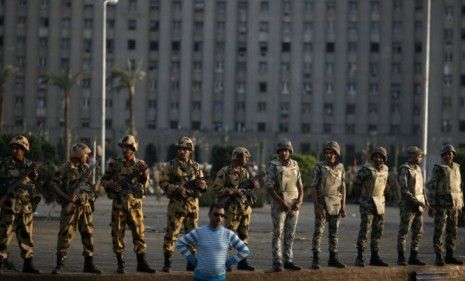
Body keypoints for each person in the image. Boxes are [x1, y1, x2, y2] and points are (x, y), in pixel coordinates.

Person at [101, 135, 155, 273]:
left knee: (139, 234)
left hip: (135, 206)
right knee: (117, 234)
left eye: (127, 147)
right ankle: (120, 263)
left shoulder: (140, 165)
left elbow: (147, 185)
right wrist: (111, 184)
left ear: (133, 149)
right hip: (118, 205)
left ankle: (141, 263)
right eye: (123, 147)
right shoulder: (115, 164)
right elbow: (104, 181)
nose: (124, 150)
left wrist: (144, 175)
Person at [50, 143, 101, 274]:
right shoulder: (65, 168)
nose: (88, 156)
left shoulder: (86, 168)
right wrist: (67, 197)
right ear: (78, 154)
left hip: (85, 207)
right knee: (65, 234)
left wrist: (94, 188)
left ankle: (89, 264)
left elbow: (88, 187)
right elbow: (54, 184)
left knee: (88, 235)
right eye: (86, 154)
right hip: (71, 208)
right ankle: (60, 264)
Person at [160, 137, 207, 272]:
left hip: (192, 206)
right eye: (179, 149)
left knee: (192, 235)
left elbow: (203, 185)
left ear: (190, 151)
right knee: (171, 233)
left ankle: (191, 262)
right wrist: (176, 188)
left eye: (185, 149)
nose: (181, 151)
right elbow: (163, 182)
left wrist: (202, 185)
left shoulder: (196, 166)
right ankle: (167, 262)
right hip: (176, 206)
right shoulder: (171, 165)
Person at [176, 203, 249, 281]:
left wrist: (230, 262)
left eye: (222, 215)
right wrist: (191, 258)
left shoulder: (228, 234)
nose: (219, 217)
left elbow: (245, 250)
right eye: (216, 214)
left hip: (220, 279)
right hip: (200, 278)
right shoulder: (199, 232)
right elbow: (180, 243)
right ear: (209, 215)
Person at [0, 135, 41, 273]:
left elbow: (35, 182)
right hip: (8, 207)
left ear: (24, 149)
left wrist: (34, 172)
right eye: (12, 147)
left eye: (18, 148)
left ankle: (28, 264)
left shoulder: (29, 165)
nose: (14, 150)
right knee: (3, 235)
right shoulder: (5, 164)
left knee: (26, 236)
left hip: (25, 208)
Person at [212, 147, 257, 271]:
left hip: (244, 209)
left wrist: (252, 186)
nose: (247, 159)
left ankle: (243, 262)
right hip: (231, 210)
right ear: (236, 157)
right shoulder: (225, 172)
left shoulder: (245, 173)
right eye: (245, 157)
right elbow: (216, 189)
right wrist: (232, 191)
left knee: (244, 236)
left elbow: (248, 191)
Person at [265, 139, 303, 272]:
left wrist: (299, 201)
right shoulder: (273, 165)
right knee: (278, 233)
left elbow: (300, 185)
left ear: (290, 152)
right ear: (278, 152)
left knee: (290, 234)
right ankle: (277, 261)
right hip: (279, 204)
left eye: (286, 150)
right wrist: (282, 203)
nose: (284, 153)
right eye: (282, 151)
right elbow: (269, 187)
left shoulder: (295, 165)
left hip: (293, 203)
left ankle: (289, 260)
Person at [310, 141, 346, 269]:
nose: (329, 155)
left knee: (334, 232)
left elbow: (343, 186)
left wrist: (343, 206)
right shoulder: (319, 167)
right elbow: (313, 187)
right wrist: (316, 207)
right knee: (318, 232)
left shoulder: (341, 167)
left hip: (336, 202)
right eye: (327, 153)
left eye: (332, 153)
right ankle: (316, 259)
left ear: (336, 154)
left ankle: (333, 258)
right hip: (322, 202)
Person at [353, 147, 389, 267]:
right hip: (367, 202)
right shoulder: (366, 169)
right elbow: (356, 184)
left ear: (384, 159)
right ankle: (360, 256)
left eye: (381, 157)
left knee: (378, 231)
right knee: (365, 230)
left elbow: (385, 185)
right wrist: (361, 198)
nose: (378, 159)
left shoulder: (385, 170)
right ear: (372, 158)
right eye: (376, 156)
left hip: (380, 202)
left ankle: (375, 256)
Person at [428, 144, 463, 266]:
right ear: (442, 156)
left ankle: (450, 255)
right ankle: (438, 256)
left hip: (454, 204)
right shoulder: (439, 168)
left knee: (452, 230)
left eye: (450, 154)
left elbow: (458, 187)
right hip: (441, 204)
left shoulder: (457, 167)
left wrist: (460, 204)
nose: (449, 156)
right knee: (439, 230)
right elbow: (432, 187)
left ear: (453, 155)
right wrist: (432, 205)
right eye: (446, 154)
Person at [396, 146, 430, 266]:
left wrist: (426, 201)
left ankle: (413, 256)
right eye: (418, 155)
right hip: (408, 206)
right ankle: (401, 257)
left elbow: (422, 188)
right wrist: (417, 201)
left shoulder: (419, 169)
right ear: (412, 156)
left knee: (418, 232)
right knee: (404, 231)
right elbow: (404, 190)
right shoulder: (405, 169)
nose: (420, 158)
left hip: (419, 205)